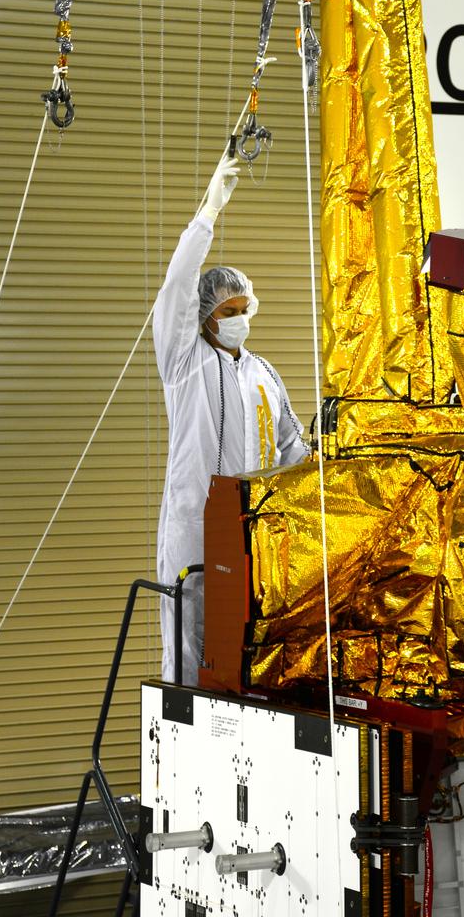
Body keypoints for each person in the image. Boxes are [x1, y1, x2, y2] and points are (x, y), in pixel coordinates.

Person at [153, 152, 309, 683]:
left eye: (245, 310)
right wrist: (208, 212)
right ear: (205, 315)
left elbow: (294, 451)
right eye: (227, 311)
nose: (239, 319)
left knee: (244, 643)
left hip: (251, 534)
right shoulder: (184, 360)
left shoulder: (264, 373)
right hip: (193, 527)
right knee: (189, 637)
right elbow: (177, 285)